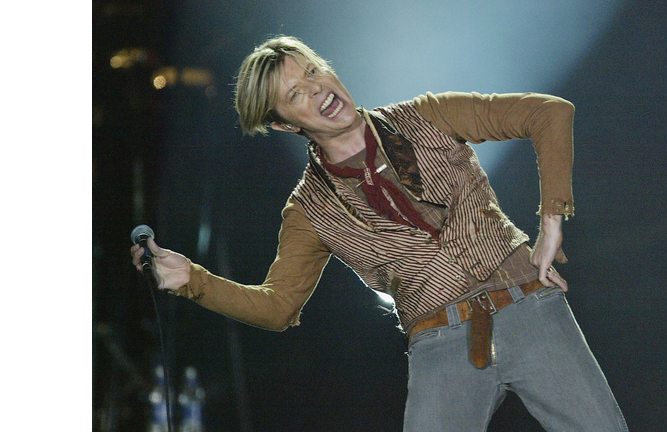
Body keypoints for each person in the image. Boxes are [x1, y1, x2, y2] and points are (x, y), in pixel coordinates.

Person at [131, 35, 627, 431]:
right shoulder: (308, 210)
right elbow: (278, 307)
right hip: (440, 341)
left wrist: (550, 223)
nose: (316, 89)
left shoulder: (428, 115)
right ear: (284, 125)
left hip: (528, 305)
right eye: (295, 94)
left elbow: (549, 112)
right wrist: (192, 280)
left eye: (312, 71)